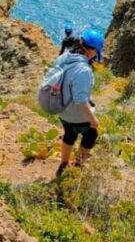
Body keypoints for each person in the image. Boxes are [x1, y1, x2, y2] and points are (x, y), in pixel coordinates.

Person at [55, 29, 104, 177]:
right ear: (91, 50)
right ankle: (78, 166)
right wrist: (93, 119)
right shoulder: (83, 70)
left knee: (70, 133)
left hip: (61, 109)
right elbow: (81, 100)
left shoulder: (64, 57)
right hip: (73, 111)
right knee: (91, 134)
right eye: (97, 51)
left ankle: (63, 164)